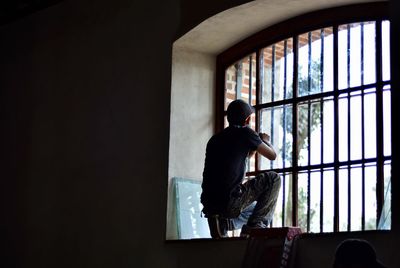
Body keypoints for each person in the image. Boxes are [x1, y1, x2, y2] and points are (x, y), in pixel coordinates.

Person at [201, 99, 281, 237]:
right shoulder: (246, 133)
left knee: (254, 209)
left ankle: (224, 223)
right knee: (274, 179)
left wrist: (254, 146)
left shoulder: (215, 139)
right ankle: (254, 228)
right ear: (247, 120)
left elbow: (238, 161)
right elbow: (272, 156)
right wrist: (264, 141)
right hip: (230, 203)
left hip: (211, 206)